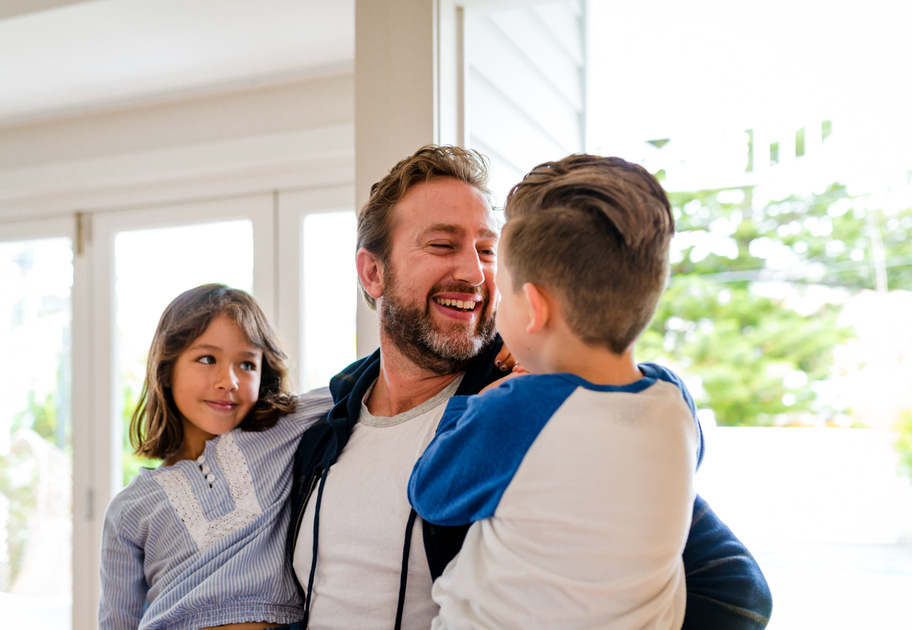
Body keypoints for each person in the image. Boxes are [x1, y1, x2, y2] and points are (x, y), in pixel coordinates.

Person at [286, 145, 773, 630]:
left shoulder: (557, 412)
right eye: (442, 245)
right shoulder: (319, 430)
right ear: (373, 272)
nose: (475, 274)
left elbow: (737, 595)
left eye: (487, 251)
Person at [408, 153, 699, 629]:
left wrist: (481, 401)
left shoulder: (517, 407)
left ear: (534, 309)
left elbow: (431, 492)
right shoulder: (674, 402)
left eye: (503, 290)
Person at [99, 284, 334, 630]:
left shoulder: (280, 433)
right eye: (207, 359)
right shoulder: (129, 509)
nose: (229, 381)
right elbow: (116, 622)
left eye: (246, 364)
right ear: (167, 369)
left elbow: (370, 378)